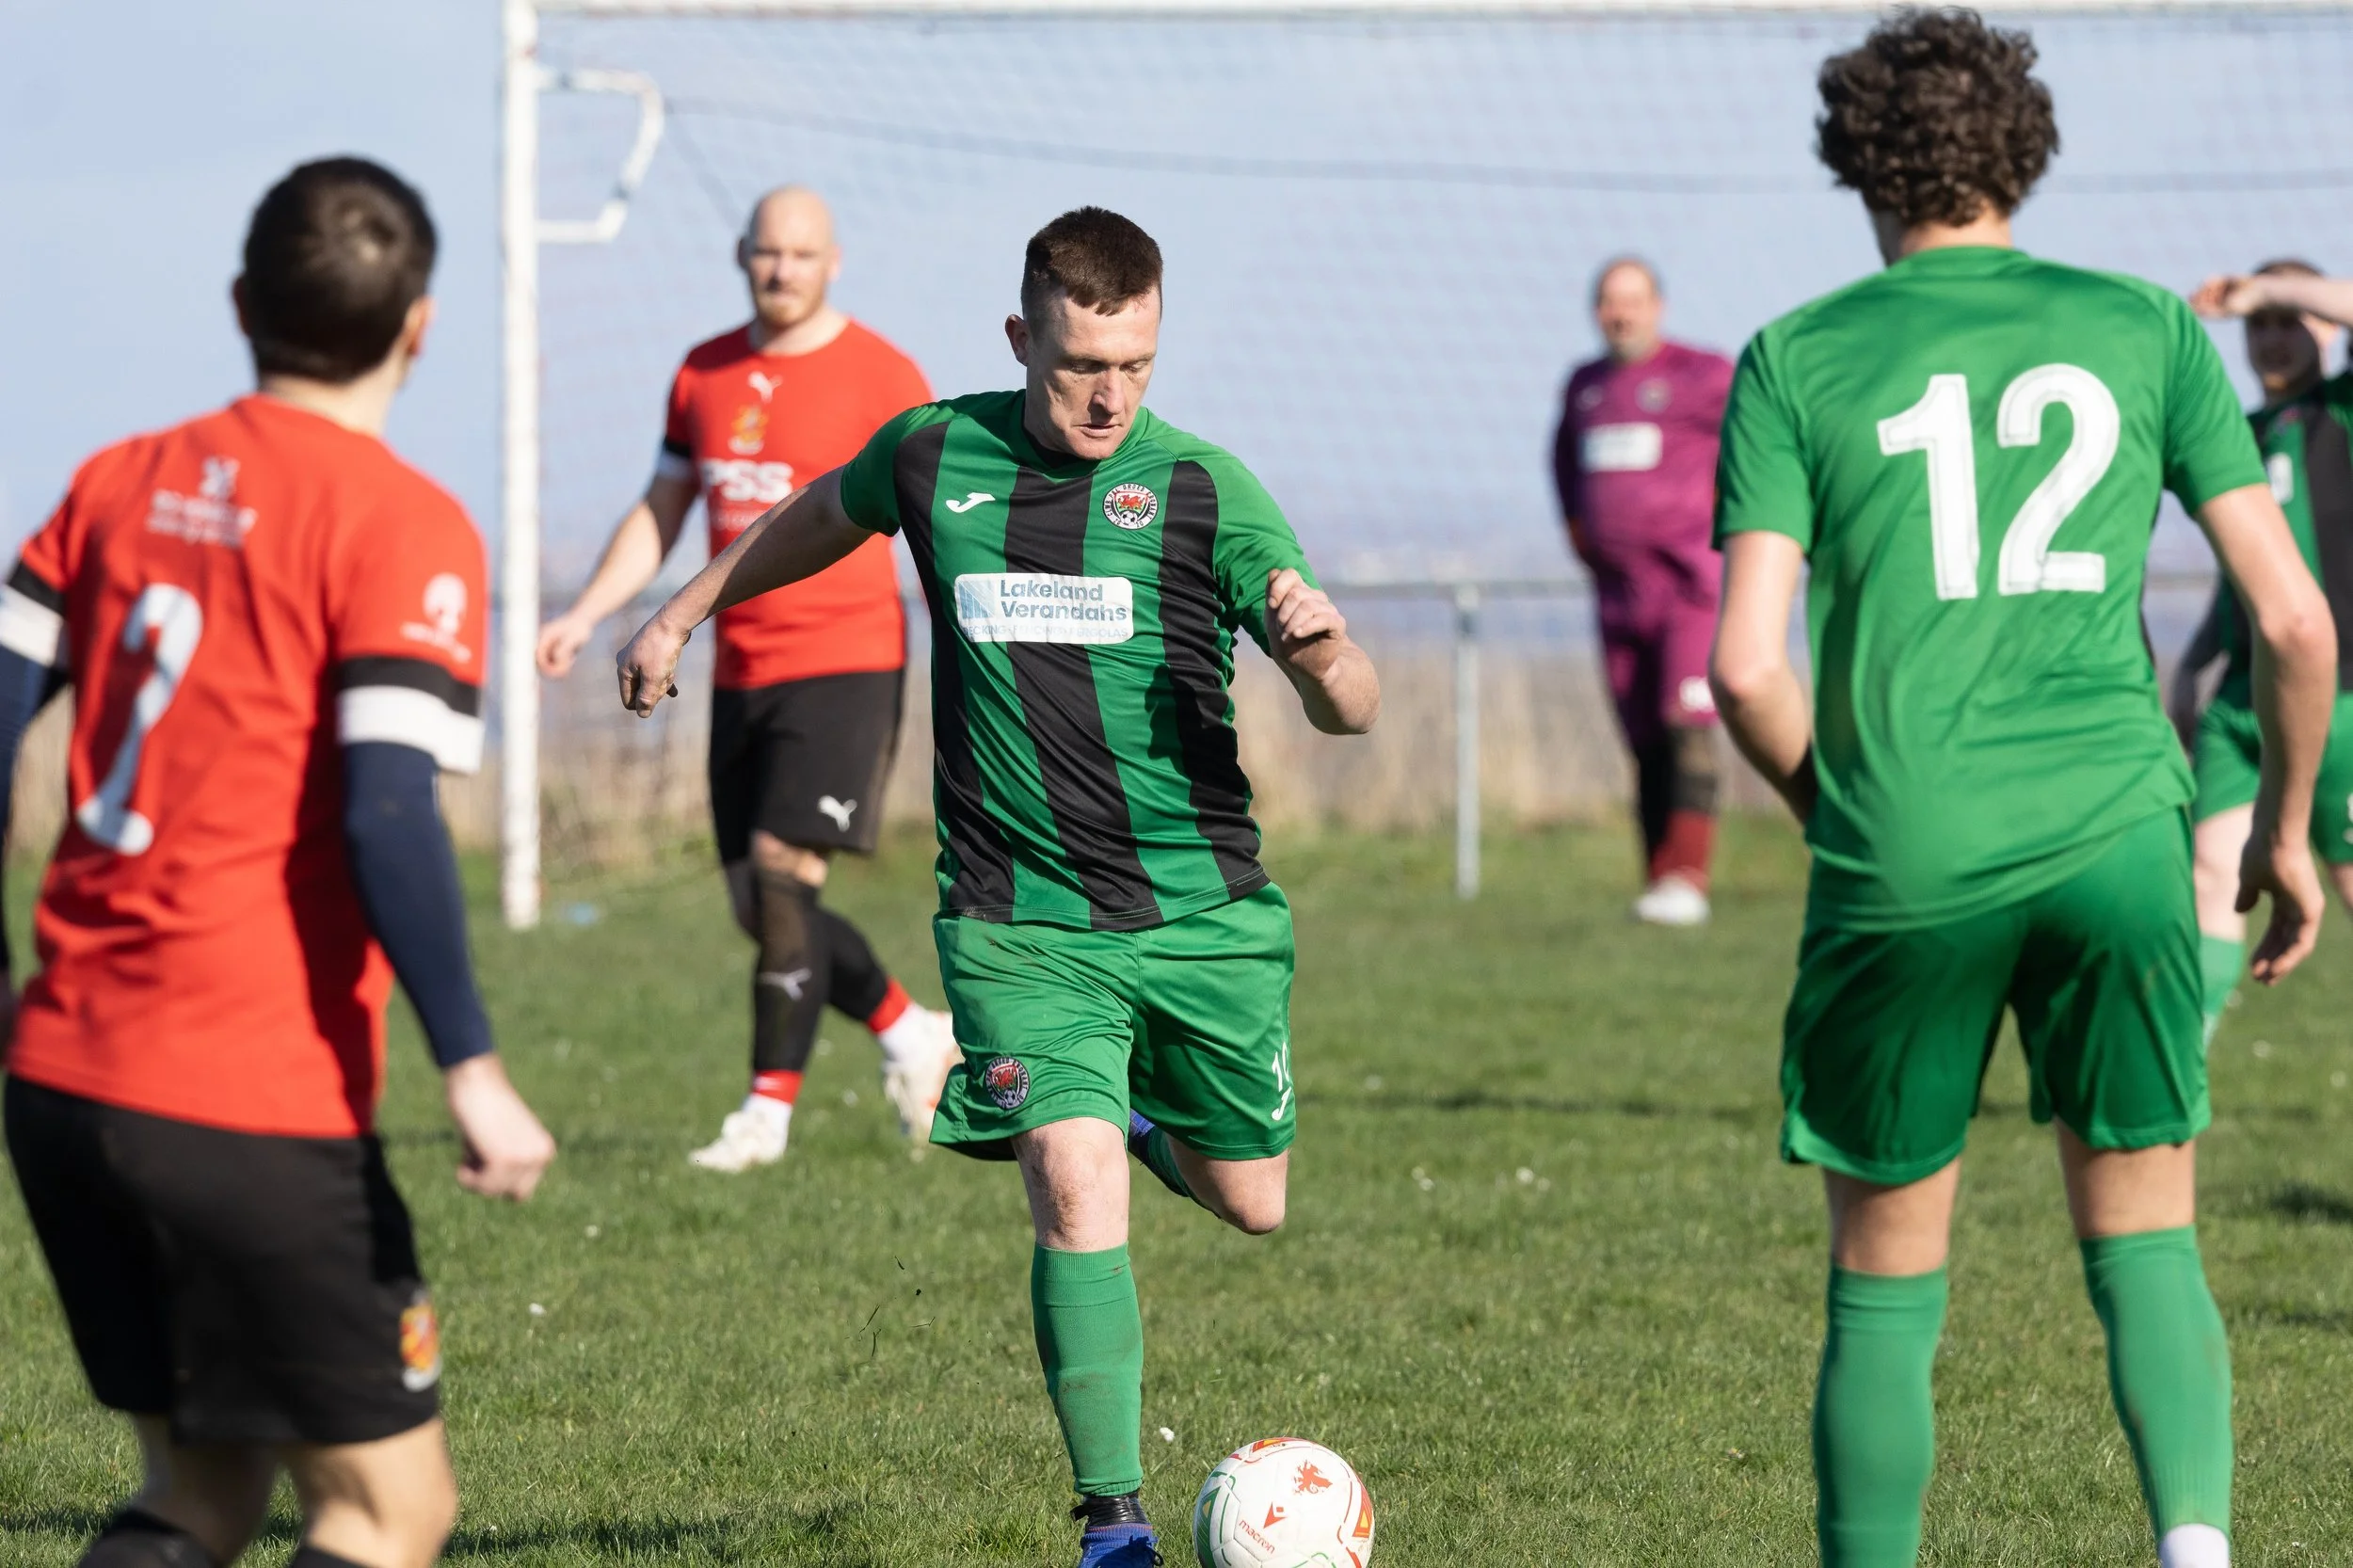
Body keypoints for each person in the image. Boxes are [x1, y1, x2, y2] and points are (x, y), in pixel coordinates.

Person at [613, 207, 1380, 1568]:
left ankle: (1131, 1114)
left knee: (1253, 1198)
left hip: (1202, 915)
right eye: (1083, 361)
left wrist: (1326, 665)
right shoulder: (933, 452)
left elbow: (1350, 698)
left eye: (1135, 364)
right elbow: (810, 518)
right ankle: (1114, 1522)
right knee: (1073, 1185)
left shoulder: (1202, 488)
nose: (1109, 393)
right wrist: (681, 609)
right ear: (1024, 337)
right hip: (1017, 920)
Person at [1708, 13, 2335, 1568]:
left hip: (1907, 848)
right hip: (2118, 833)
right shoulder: (2146, 331)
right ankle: (2195, 1546)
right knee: (2146, 1231)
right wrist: (2286, 829)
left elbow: (1744, 671)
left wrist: (1835, 810)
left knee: (1884, 1276)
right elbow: (2296, 620)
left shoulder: (1797, 355)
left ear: (1855, 158)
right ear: (2027, 151)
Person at [1, 158, 556, 1568]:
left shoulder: (116, 483)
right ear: (419, 327)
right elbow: (385, 810)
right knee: (388, 1510)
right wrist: (475, 1071)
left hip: (64, 1077)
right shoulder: (401, 522)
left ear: (242, 300)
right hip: (245, 1101)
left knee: (204, 1494)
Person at [536, 185, 959, 1172]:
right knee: (759, 907)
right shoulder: (703, 372)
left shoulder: (884, 373)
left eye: (802, 255)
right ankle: (911, 1032)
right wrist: (591, 611)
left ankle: (762, 1119)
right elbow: (662, 506)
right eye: (767, 253)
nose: (782, 270)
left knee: (781, 876)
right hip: (737, 668)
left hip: (848, 661)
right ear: (740, 253)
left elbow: (943, 520)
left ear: (833, 261)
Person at [2175, 261, 2353, 1041]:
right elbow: (2238, 581)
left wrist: (2264, 289)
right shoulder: (2239, 438)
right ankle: (2181, 1075)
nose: (2273, 336)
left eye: (2288, 319)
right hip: (2243, 706)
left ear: (2323, 326)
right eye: (2259, 326)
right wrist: (2191, 666)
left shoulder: (2342, 411)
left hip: (2344, 702)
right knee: (2212, 875)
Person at [1552, 258, 1735, 925]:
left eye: (1632, 301)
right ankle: (1658, 877)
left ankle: (1690, 877)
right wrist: (1586, 540)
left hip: (1688, 589)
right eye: (1608, 301)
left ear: (1658, 305)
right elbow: (1566, 469)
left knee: (1689, 720)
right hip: (1617, 594)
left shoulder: (1706, 374)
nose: (1620, 313)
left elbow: (1758, 442)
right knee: (1644, 736)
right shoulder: (1585, 388)